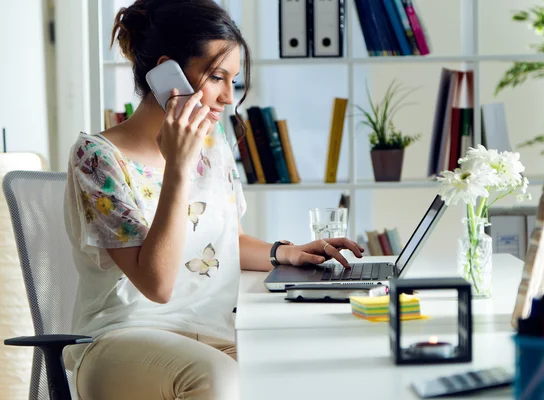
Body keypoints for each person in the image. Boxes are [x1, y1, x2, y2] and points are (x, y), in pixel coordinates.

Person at [64, 1, 364, 399]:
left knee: (310, 363)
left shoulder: (213, 143)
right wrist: (179, 167)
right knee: (219, 378)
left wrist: (286, 253)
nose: (227, 97)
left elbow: (226, 242)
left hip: (210, 333)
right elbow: (157, 284)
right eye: (217, 77)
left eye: (233, 81)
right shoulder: (97, 158)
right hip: (121, 337)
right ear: (167, 72)